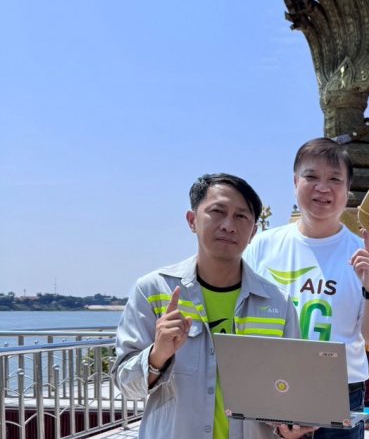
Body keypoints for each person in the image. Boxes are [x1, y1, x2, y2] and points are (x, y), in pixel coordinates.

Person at [113, 173, 306, 439]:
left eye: (241, 216)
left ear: (253, 231)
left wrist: (290, 429)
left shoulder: (278, 303)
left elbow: (289, 392)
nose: (228, 225)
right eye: (217, 211)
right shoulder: (153, 291)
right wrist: (158, 355)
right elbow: (126, 386)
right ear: (192, 220)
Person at [245, 138, 369, 439]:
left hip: (339, 391)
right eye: (311, 176)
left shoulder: (368, 257)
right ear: (295, 181)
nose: (322, 188)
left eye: (335, 179)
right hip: (274, 384)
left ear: (348, 189)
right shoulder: (263, 246)